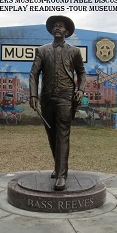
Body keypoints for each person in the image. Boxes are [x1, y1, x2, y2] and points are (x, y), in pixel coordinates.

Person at [29, 15, 86, 190]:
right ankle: (59, 167)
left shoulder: (75, 52)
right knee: (51, 134)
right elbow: (33, 74)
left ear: (67, 32)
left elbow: (82, 74)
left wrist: (80, 90)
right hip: (47, 98)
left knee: (62, 134)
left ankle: (61, 175)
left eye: (61, 26)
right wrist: (33, 95)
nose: (58, 28)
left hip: (66, 98)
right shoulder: (42, 51)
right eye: (55, 26)